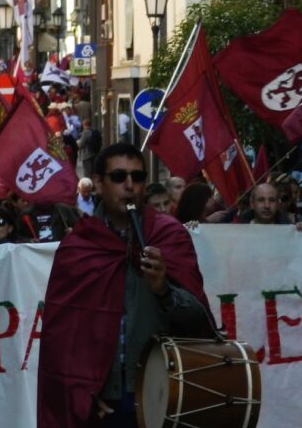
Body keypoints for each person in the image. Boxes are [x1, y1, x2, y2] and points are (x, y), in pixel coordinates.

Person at [37, 143, 215, 428]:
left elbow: (201, 326)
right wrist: (81, 392)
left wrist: (164, 291)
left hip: (162, 395)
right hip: (103, 402)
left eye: (138, 177)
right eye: (119, 177)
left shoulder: (168, 235)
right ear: (98, 183)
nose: (130, 186)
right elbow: (62, 340)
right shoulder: (80, 245)